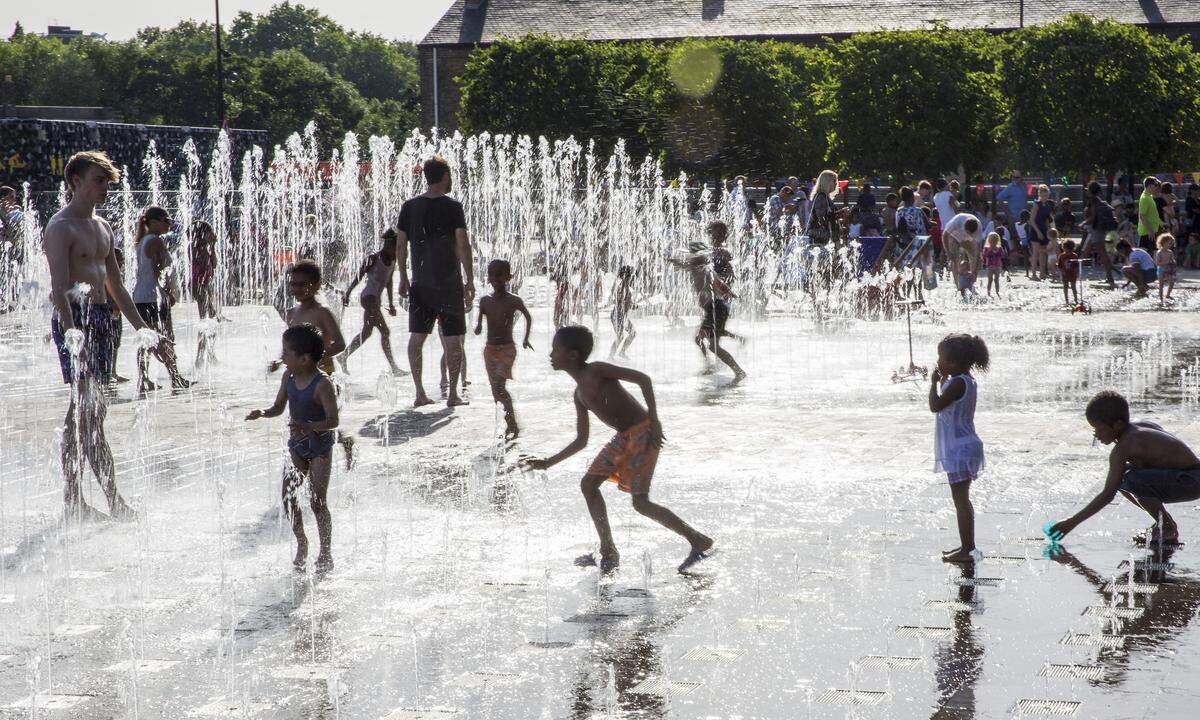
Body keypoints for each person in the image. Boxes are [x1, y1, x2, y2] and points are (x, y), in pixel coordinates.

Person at [43, 151, 173, 520]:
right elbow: (57, 288)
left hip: (102, 318)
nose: (105, 188)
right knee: (82, 412)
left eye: (107, 182)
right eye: (99, 181)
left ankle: (99, 500)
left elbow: (116, 285)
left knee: (93, 414)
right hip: (76, 321)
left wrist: (145, 330)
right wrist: (72, 335)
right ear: (76, 181)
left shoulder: (103, 227)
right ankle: (79, 501)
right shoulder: (60, 226)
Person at [523, 326, 714, 573]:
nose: (550, 355)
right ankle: (608, 549)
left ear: (571, 355)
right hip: (623, 438)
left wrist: (655, 421)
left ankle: (697, 539)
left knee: (641, 503)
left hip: (644, 432)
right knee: (588, 485)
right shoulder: (579, 394)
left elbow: (643, 379)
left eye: (554, 350)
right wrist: (548, 462)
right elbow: (581, 440)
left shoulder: (597, 371)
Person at [1047, 391, 1200, 547]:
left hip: (1192, 481)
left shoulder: (1125, 446)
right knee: (1126, 474)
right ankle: (1165, 524)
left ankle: (1166, 527)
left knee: (1129, 479)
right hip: (1191, 476)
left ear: (1118, 425)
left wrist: (1071, 522)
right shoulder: (1140, 428)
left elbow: (1108, 494)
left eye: (1100, 429)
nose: (1096, 435)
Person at [246, 324, 339, 572]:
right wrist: (263, 413)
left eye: (287, 353)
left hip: (319, 448)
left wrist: (310, 426)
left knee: (318, 502)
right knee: (288, 498)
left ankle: (326, 551)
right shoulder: (288, 377)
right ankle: (302, 542)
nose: (282, 357)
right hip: (297, 447)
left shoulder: (322, 384)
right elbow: (278, 407)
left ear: (305, 358)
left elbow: (333, 421)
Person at [397, 156, 475, 408]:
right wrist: (470, 280)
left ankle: (419, 393)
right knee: (453, 340)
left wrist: (403, 277)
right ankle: (453, 394)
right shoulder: (453, 207)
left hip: (421, 284)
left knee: (417, 338)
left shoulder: (409, 206)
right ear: (445, 176)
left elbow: (400, 245)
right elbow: (462, 245)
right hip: (448, 284)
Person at [276, 259, 355, 468]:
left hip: (322, 375)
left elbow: (340, 343)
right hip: (299, 376)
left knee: (322, 418)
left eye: (303, 284)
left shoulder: (322, 312)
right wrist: (279, 360)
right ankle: (312, 455)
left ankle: (327, 454)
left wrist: (315, 357)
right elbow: (292, 345)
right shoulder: (292, 314)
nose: (297, 288)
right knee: (302, 417)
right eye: (294, 284)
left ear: (317, 285)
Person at [929, 333, 989, 564]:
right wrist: (942, 379)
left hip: (959, 449)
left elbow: (935, 406)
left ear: (953, 362)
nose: (938, 362)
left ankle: (968, 549)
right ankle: (966, 545)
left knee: (961, 500)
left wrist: (933, 383)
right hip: (965, 445)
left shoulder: (956, 383)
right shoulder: (965, 380)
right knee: (962, 499)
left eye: (941, 358)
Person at [667, 221, 746, 382]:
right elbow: (720, 284)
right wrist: (729, 292)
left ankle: (738, 372)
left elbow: (718, 282)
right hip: (716, 308)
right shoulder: (703, 268)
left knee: (713, 346)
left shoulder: (701, 267)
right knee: (702, 340)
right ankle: (712, 366)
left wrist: (728, 292)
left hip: (716, 309)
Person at [131, 205, 191, 393]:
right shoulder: (155, 241)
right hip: (153, 298)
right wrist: (168, 293)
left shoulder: (141, 241)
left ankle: (144, 379)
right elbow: (160, 271)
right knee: (165, 338)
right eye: (166, 221)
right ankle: (175, 377)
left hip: (140, 297)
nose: (169, 224)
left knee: (146, 341)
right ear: (154, 222)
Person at [473, 259, 533, 439]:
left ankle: (512, 424)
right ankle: (511, 423)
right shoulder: (485, 300)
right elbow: (479, 321)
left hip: (507, 349)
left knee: (500, 388)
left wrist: (525, 338)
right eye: (491, 274)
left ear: (508, 277)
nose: (495, 278)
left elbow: (528, 317)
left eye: (499, 274)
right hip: (490, 349)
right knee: (495, 391)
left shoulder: (514, 300)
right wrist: (478, 327)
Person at [341, 229, 403, 376]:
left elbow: (389, 282)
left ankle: (343, 356)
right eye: (396, 247)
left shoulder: (393, 260)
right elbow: (359, 276)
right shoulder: (373, 258)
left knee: (367, 333)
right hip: (368, 298)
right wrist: (348, 293)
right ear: (388, 245)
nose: (397, 250)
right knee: (385, 332)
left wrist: (391, 304)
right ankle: (393, 368)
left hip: (375, 300)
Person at [1081, 182, 1118, 288]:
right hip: (1098, 230)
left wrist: (1083, 223)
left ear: (1091, 191)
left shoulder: (1093, 200)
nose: (1086, 191)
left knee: (1102, 254)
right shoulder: (1099, 200)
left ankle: (1110, 278)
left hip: (1096, 230)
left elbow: (1093, 217)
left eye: (1088, 190)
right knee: (1087, 252)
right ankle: (1110, 276)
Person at [805, 170, 840, 246]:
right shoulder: (821, 196)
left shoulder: (825, 197)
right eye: (834, 181)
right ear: (826, 182)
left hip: (824, 237)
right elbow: (822, 218)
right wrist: (839, 214)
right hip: (821, 237)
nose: (836, 183)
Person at [609, 265, 636, 359]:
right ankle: (610, 357)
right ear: (625, 276)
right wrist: (629, 304)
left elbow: (627, 303)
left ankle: (622, 352)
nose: (631, 278)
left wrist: (632, 305)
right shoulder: (621, 288)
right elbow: (619, 302)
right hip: (617, 315)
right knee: (620, 336)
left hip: (622, 316)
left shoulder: (626, 287)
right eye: (630, 276)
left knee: (632, 333)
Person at [1028, 185, 1054, 281]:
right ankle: (1033, 274)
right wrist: (1038, 232)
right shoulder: (1036, 204)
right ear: (1040, 194)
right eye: (1043, 195)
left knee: (1043, 252)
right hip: (1035, 229)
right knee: (1035, 252)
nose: (1045, 197)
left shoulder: (1047, 206)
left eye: (1047, 196)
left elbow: (1047, 220)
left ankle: (1042, 273)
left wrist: (1049, 231)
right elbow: (1031, 220)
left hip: (1044, 229)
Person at [1138, 177, 1162, 250]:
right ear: (1150, 185)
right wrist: (1149, 231)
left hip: (1151, 231)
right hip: (1146, 232)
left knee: (1152, 253)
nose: (1157, 187)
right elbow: (1142, 216)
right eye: (1156, 185)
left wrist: (1161, 223)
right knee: (1146, 255)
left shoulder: (1149, 196)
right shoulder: (1145, 198)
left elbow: (1153, 214)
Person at [1155, 233, 1178, 305]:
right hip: (1161, 270)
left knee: (1172, 282)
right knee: (1161, 284)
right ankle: (1161, 297)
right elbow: (1157, 263)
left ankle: (1168, 294)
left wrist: (1173, 262)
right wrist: (1165, 262)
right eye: (1169, 243)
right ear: (1163, 242)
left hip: (1169, 269)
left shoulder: (1170, 252)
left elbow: (1173, 260)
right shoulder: (1159, 252)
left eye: (1171, 243)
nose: (1170, 245)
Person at [982, 232, 1005, 298]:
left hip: (997, 266)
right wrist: (989, 250)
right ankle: (988, 292)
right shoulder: (986, 248)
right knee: (990, 279)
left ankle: (997, 292)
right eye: (992, 241)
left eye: (995, 241)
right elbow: (985, 255)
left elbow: (1002, 255)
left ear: (997, 241)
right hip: (989, 266)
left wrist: (997, 251)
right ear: (989, 241)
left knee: (996, 279)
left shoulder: (999, 248)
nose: (993, 243)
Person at [1058, 239, 1080, 307]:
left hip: (1072, 274)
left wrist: (1076, 272)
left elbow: (1076, 266)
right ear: (1063, 248)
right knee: (1065, 287)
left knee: (1073, 287)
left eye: (1069, 250)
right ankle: (1066, 300)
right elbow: (1060, 266)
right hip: (1065, 274)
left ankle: (1076, 299)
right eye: (1066, 249)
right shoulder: (1061, 256)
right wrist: (1062, 272)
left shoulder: (1074, 256)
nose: (1068, 252)